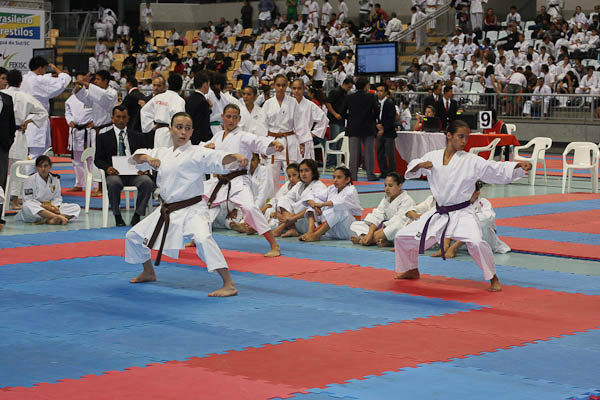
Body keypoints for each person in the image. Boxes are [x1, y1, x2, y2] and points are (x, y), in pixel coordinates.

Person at [393, 120, 531, 292]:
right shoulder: (433, 157)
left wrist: (517, 166)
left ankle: (493, 277)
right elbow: (412, 169)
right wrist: (420, 165)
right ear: (449, 135)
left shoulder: (471, 160)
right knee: (402, 237)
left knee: (476, 242)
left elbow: (493, 168)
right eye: (460, 136)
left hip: (462, 212)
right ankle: (411, 269)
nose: (464, 141)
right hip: (439, 213)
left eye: (466, 137)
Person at [125, 112, 248, 297]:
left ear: (192, 131)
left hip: (192, 209)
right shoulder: (162, 152)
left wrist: (235, 156)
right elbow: (136, 157)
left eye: (187, 128)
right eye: (179, 127)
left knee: (203, 239)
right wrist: (148, 159)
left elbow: (218, 158)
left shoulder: (197, 152)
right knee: (133, 236)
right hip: (167, 209)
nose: (183, 132)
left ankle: (228, 283)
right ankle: (149, 272)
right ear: (170, 129)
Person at [203, 104, 284, 256]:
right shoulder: (218, 136)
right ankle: (197, 238)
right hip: (219, 182)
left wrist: (273, 145)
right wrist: (207, 147)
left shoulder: (243, 136)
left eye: (235, 117)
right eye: (228, 117)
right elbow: (204, 151)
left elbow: (258, 141)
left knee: (250, 208)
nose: (231, 120)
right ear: (222, 117)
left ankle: (274, 245)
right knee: (200, 204)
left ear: (239, 119)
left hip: (238, 180)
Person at [94, 105, 154, 227]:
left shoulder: (138, 136)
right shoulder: (103, 137)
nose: (121, 120)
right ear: (112, 118)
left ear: (128, 119)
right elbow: (98, 159)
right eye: (118, 117)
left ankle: (137, 215)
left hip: (135, 173)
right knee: (113, 183)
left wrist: (144, 168)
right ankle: (117, 215)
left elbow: (145, 155)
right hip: (115, 173)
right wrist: (107, 168)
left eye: (124, 117)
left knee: (147, 182)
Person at [2, 70, 47, 210]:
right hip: (18, 135)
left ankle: (3, 201)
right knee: (18, 170)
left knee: (2, 170)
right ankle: (15, 201)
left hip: (3, 136)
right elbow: (43, 113)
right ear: (21, 82)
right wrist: (28, 121)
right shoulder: (26, 97)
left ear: (7, 81)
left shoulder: (3, 95)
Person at [432, 180, 510, 258]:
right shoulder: (458, 202)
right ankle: (445, 246)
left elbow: (483, 222)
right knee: (446, 218)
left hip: (483, 239)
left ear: (477, 193)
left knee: (477, 223)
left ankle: (454, 248)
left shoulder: (484, 204)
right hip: (460, 239)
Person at [20, 57, 70, 168]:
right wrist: (59, 71)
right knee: (37, 154)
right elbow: (63, 81)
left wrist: (51, 75)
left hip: (25, 119)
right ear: (40, 68)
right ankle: (30, 176)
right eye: (44, 69)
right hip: (37, 120)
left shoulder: (24, 78)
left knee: (33, 153)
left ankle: (34, 176)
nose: (45, 72)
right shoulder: (39, 80)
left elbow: (45, 79)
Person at [350, 172, 415, 247]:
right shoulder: (386, 199)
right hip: (383, 231)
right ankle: (377, 239)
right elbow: (376, 215)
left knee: (395, 227)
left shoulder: (407, 201)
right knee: (356, 224)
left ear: (399, 186)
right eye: (385, 185)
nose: (387, 188)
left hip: (397, 230)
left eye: (390, 185)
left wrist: (371, 236)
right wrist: (370, 233)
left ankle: (366, 240)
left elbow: (397, 223)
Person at [298, 166, 362, 241]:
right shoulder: (332, 188)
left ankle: (316, 235)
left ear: (347, 179)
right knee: (311, 206)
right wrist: (314, 205)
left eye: (339, 177)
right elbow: (314, 195)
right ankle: (310, 232)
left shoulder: (351, 190)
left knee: (339, 209)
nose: (335, 180)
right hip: (332, 229)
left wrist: (321, 205)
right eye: (334, 177)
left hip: (348, 228)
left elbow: (340, 202)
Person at [262, 74, 301, 194]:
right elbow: (262, 126)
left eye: (283, 85)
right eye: (278, 85)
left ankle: (291, 199)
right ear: (274, 85)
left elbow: (299, 124)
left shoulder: (293, 102)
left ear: (287, 86)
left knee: (292, 176)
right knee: (271, 177)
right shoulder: (268, 103)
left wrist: (302, 143)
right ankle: (272, 201)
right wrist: (262, 147)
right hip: (272, 142)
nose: (280, 88)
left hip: (289, 142)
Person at [16, 155, 80, 225]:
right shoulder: (30, 180)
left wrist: (55, 207)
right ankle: (58, 217)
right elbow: (29, 199)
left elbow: (57, 197)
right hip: (38, 208)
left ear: (50, 166)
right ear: (36, 167)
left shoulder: (55, 179)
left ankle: (47, 220)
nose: (43, 169)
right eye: (40, 166)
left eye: (45, 166)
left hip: (52, 208)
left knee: (75, 207)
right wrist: (45, 207)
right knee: (27, 205)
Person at [273, 158, 327, 237]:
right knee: (283, 199)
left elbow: (313, 208)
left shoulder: (319, 186)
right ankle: (293, 228)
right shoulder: (299, 185)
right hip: (297, 221)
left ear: (313, 172)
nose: (303, 174)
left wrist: (292, 218)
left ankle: (283, 226)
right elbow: (287, 199)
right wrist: (283, 214)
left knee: (305, 204)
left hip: (312, 223)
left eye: (306, 170)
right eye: (301, 171)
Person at [341, 77, 378, 181]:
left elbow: (342, 112)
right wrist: (371, 118)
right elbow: (377, 111)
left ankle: (353, 175)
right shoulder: (371, 96)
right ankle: (370, 175)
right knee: (369, 153)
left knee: (353, 154)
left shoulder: (349, 97)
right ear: (366, 86)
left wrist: (350, 118)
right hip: (368, 127)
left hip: (353, 127)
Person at [65, 74, 95, 194]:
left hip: (89, 130)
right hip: (76, 131)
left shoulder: (92, 95)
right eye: (78, 81)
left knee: (91, 158)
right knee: (77, 159)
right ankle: (79, 183)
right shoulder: (72, 97)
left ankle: (95, 184)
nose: (79, 83)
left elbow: (100, 111)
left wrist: (95, 121)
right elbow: (67, 111)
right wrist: (69, 120)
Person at [140, 74, 186, 148]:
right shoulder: (180, 100)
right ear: (181, 87)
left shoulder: (158, 97)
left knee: (158, 153)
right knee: (170, 154)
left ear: (168, 85)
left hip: (158, 131)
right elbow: (180, 119)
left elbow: (144, 111)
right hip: (171, 133)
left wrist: (151, 126)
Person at [74, 70, 119, 137]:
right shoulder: (94, 93)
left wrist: (85, 83)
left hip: (107, 129)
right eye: (95, 79)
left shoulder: (112, 93)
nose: (95, 81)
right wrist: (80, 84)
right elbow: (80, 94)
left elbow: (103, 95)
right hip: (95, 129)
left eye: (98, 79)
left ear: (105, 81)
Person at [291, 79, 327, 160]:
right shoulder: (287, 104)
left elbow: (324, 120)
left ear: (304, 88)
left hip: (305, 140)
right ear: (291, 89)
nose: (296, 91)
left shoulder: (310, 105)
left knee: (306, 164)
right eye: (294, 88)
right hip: (291, 139)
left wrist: (313, 133)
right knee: (291, 165)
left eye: (299, 88)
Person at [325, 77, 352, 167]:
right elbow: (328, 103)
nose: (349, 89)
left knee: (340, 143)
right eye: (348, 87)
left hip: (341, 120)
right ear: (344, 84)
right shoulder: (335, 91)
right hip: (334, 120)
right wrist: (335, 114)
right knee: (334, 142)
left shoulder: (345, 94)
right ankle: (331, 163)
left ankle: (337, 162)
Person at [263, 162, 300, 229]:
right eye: (289, 176)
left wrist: (277, 213)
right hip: (282, 213)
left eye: (294, 175)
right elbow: (277, 198)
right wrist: (265, 208)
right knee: (267, 210)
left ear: (300, 174)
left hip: (293, 215)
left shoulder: (301, 186)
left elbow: (299, 207)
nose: (291, 178)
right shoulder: (288, 184)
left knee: (272, 223)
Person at [0, 77, 16, 219]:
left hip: (2, 146)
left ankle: (0, 213)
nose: (5, 81)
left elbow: (11, 123)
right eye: (3, 78)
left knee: (1, 179)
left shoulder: (7, 99)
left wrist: (9, 141)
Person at [375, 84, 397, 179]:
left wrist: (383, 128)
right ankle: (383, 172)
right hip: (379, 131)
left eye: (381, 91)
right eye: (378, 91)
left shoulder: (389, 103)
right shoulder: (376, 103)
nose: (379, 93)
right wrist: (377, 126)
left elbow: (391, 119)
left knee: (389, 154)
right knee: (380, 153)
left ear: (385, 93)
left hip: (388, 132)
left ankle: (392, 173)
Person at [186, 72, 213, 145]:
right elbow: (204, 124)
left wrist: (209, 109)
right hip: (200, 139)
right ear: (205, 84)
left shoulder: (189, 99)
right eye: (209, 84)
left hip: (189, 136)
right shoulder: (203, 101)